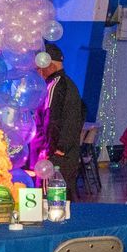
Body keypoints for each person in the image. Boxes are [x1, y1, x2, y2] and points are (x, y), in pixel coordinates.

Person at [36, 43, 85, 192]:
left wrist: (54, 149)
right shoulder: (68, 83)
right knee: (65, 196)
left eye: (39, 67)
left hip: (58, 155)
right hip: (67, 152)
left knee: (51, 196)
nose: (38, 72)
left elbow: (51, 120)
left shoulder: (55, 85)